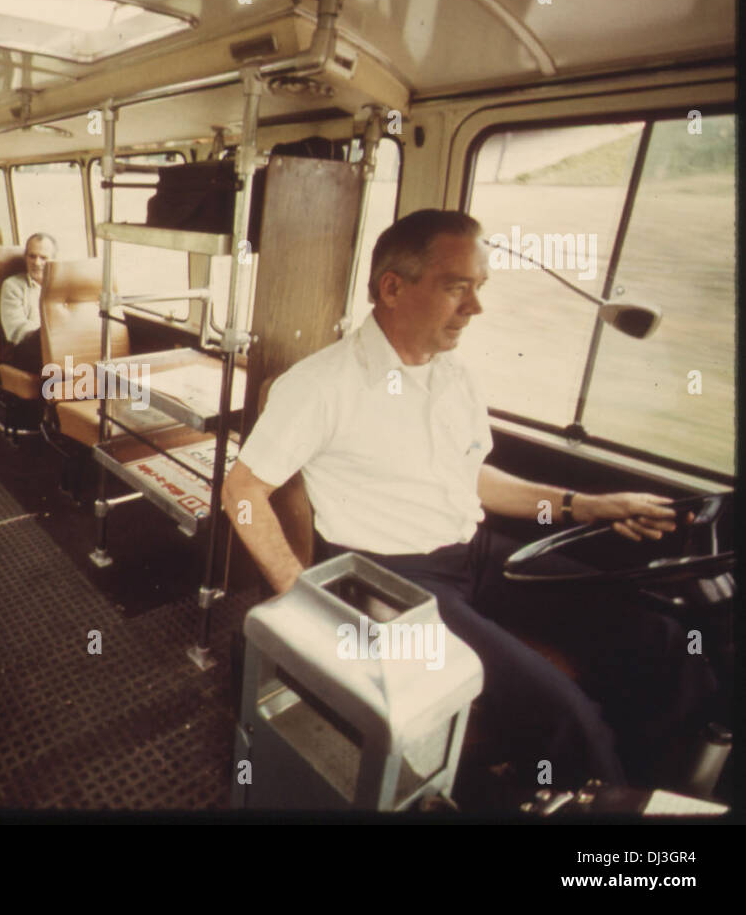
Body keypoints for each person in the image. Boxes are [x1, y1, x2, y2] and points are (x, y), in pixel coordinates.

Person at [222, 209, 718, 791]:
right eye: (458, 287)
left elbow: (471, 476)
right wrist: (307, 600)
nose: (475, 307)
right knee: (570, 722)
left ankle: (657, 796)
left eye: (479, 288)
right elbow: (243, 491)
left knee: (662, 642)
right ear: (392, 288)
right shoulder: (319, 385)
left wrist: (583, 503)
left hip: (475, 554)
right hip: (395, 585)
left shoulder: (453, 376)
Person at [0, 232, 56, 373]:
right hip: (25, 349)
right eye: (32, 256)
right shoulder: (12, 286)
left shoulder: (61, 287)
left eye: (43, 258)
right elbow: (17, 330)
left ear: (53, 261)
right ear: (25, 257)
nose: (36, 263)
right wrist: (46, 337)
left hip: (57, 345)